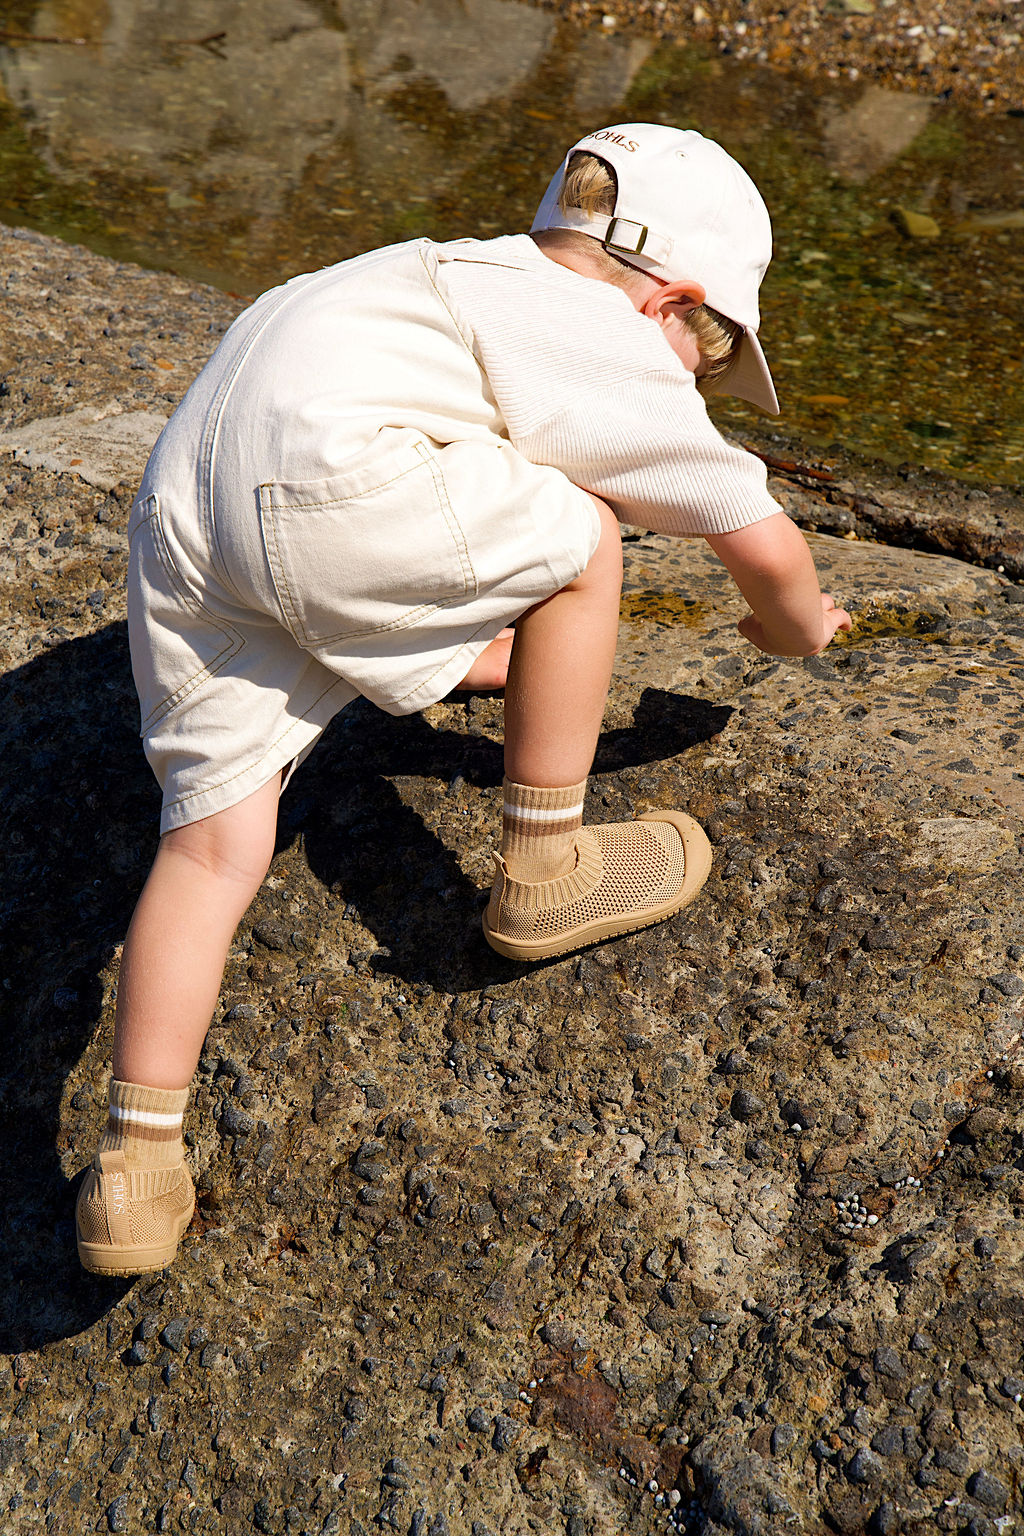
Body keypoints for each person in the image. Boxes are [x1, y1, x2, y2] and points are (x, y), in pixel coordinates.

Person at [74, 122, 851, 1276]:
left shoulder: (420, 275)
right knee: (582, 532)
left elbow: (324, 508)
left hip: (191, 517)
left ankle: (134, 1165)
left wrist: (470, 650)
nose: (691, 387)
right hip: (334, 497)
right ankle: (546, 865)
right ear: (672, 302)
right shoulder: (594, 319)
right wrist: (796, 627)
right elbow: (751, 528)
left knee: (208, 847)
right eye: (706, 359)